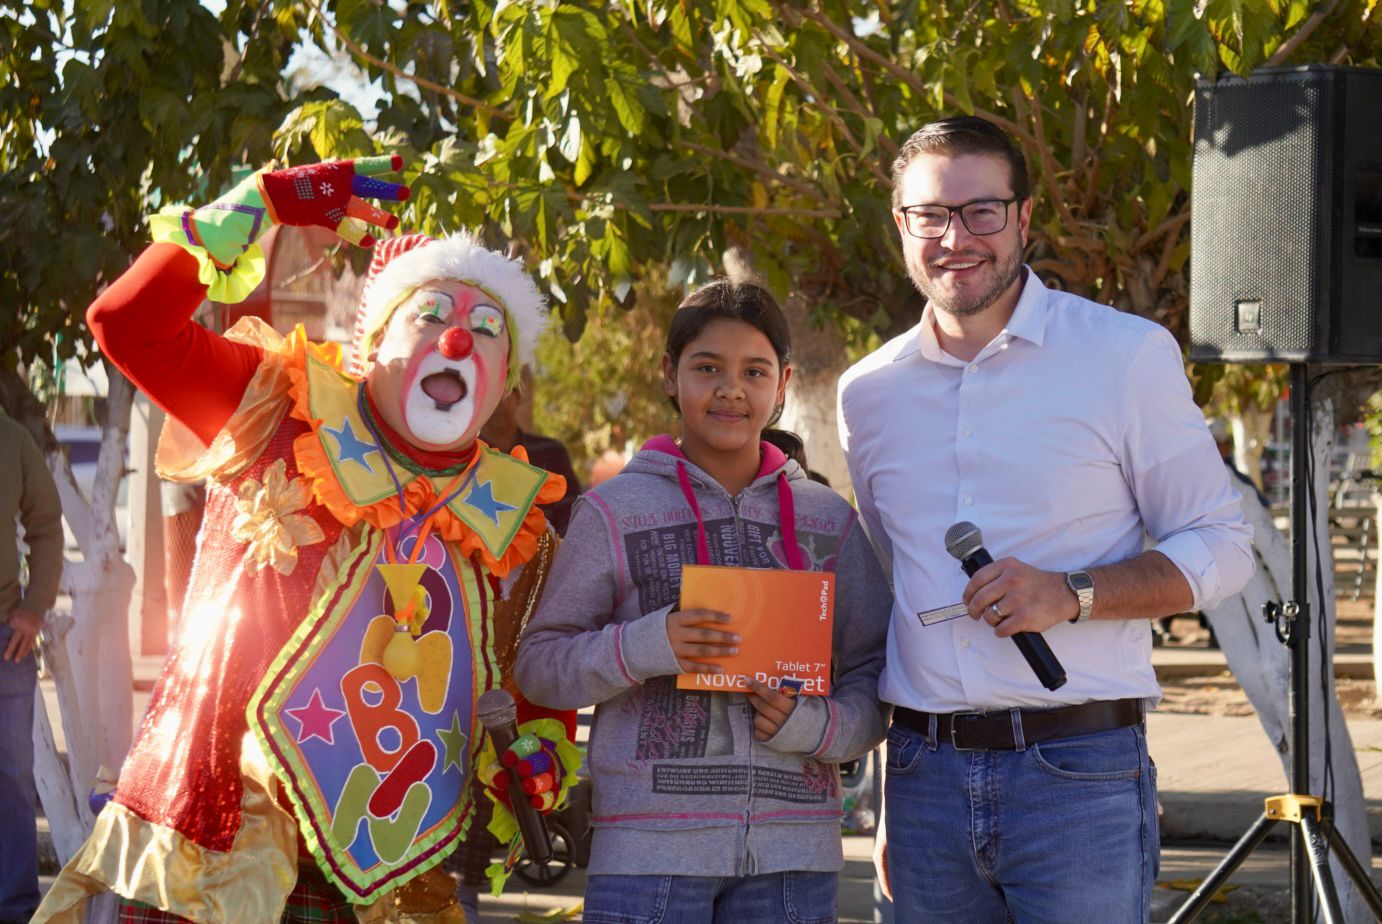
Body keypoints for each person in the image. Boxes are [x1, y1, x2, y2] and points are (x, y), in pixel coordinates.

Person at [35, 157, 577, 924]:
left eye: (487, 329)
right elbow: (127, 327)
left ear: (504, 380)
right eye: (429, 315)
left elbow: (527, 683)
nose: (458, 337)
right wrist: (259, 203)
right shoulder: (279, 409)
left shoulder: (513, 520)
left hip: (386, 875)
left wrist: (538, 762)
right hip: (217, 849)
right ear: (375, 341)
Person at [837, 115, 1255, 922]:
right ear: (901, 227)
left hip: (1078, 773)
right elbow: (894, 591)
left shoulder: (1123, 356)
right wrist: (888, 789)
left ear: (1025, 218)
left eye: (981, 211)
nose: (955, 237)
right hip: (923, 782)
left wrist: (1073, 593)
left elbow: (1221, 542)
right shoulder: (867, 393)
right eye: (931, 215)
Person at [516, 277, 892, 921]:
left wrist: (816, 725)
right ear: (669, 374)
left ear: (782, 384)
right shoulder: (613, 511)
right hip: (645, 858)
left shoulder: (830, 521)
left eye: (754, 371)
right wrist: (645, 645)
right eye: (707, 367)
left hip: (792, 863)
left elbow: (875, 676)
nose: (730, 389)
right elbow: (538, 666)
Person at [0, 411, 63, 924]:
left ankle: (16, 909)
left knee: (12, 781)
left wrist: (35, 606)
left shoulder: (13, 440)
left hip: (6, 641)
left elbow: (46, 527)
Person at [480, 382, 582, 535]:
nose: (497, 405)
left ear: (518, 396)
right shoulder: (461, 458)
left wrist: (558, 550)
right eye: (490, 398)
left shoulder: (551, 451)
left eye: (504, 395)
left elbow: (571, 509)